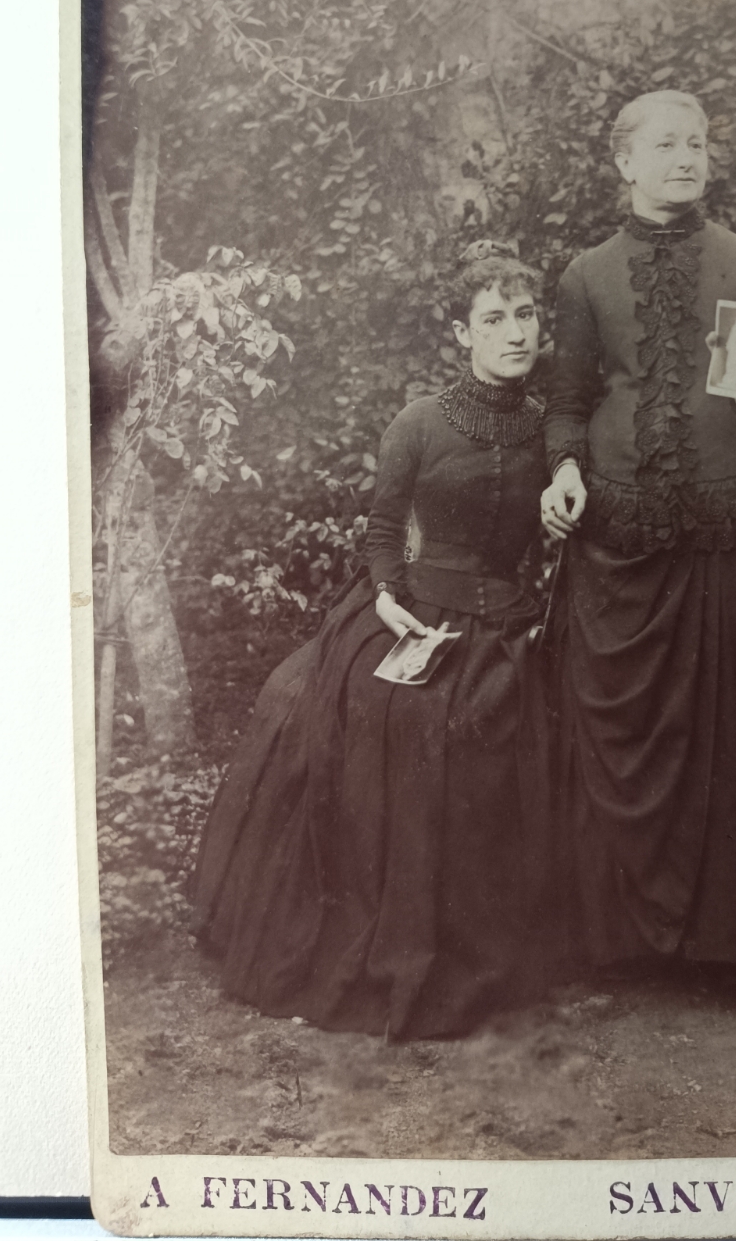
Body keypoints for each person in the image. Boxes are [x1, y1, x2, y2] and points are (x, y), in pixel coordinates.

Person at [191, 243, 554, 1041]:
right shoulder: (419, 422)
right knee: (364, 713)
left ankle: (477, 942)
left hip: (507, 621)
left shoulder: (551, 430)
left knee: (492, 733)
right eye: (493, 319)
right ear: (462, 334)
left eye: (525, 315)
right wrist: (388, 599)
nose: (514, 333)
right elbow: (385, 530)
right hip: (412, 609)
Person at [540, 89, 736, 975]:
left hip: (734, 533)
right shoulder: (586, 276)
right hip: (623, 532)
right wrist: (564, 471)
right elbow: (567, 400)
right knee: (622, 728)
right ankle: (616, 941)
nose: (686, 159)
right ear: (625, 162)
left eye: (698, 144)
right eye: (667, 145)